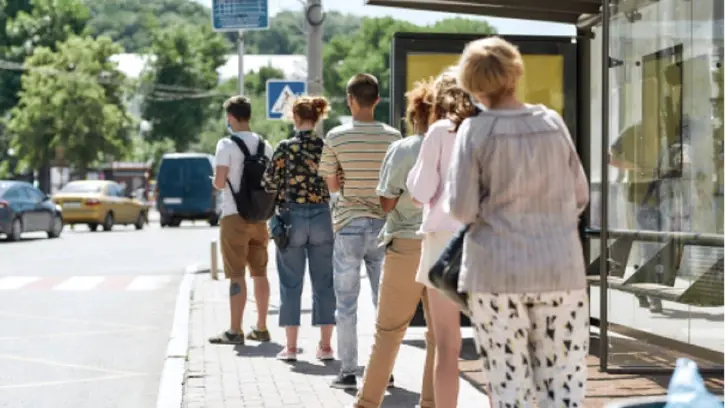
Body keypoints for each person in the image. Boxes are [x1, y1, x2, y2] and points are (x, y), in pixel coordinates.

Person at [446, 37, 590, 407]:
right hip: (560, 269)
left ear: (471, 82)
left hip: (495, 273)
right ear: (515, 72)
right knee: (563, 383)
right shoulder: (551, 123)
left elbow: (461, 209)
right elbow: (580, 195)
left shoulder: (475, 131)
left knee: (510, 386)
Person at [354, 79, 436, 408]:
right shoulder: (456, 145)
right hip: (444, 246)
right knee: (438, 335)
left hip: (405, 244)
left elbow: (386, 203)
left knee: (388, 331)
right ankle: (431, 402)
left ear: (414, 114)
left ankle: (367, 402)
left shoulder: (403, 149)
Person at [319, 73, 402, 389]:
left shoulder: (337, 136)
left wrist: (343, 183)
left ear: (349, 100)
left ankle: (348, 372)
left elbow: (331, 182)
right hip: (383, 225)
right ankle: (385, 372)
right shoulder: (393, 137)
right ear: (378, 100)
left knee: (347, 304)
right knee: (384, 304)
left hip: (349, 225)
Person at [406, 67, 479, 408]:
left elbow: (420, 192)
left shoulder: (438, 132)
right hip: (487, 239)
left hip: (442, 243)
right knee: (493, 344)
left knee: (446, 345)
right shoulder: (491, 127)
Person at [262, 96, 337, 362]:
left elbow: (269, 182)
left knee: (291, 283)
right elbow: (336, 182)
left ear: (295, 118)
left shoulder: (285, 148)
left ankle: (291, 348)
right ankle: (326, 347)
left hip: (291, 218)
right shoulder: (327, 146)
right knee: (324, 283)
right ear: (316, 118)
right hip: (322, 218)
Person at [209, 95, 274, 345]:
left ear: (231, 118)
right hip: (260, 217)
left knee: (237, 275)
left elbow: (219, 181)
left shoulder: (225, 145)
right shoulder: (264, 145)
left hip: (234, 216)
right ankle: (261, 327)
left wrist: (216, 180)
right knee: (260, 273)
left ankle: (234, 331)